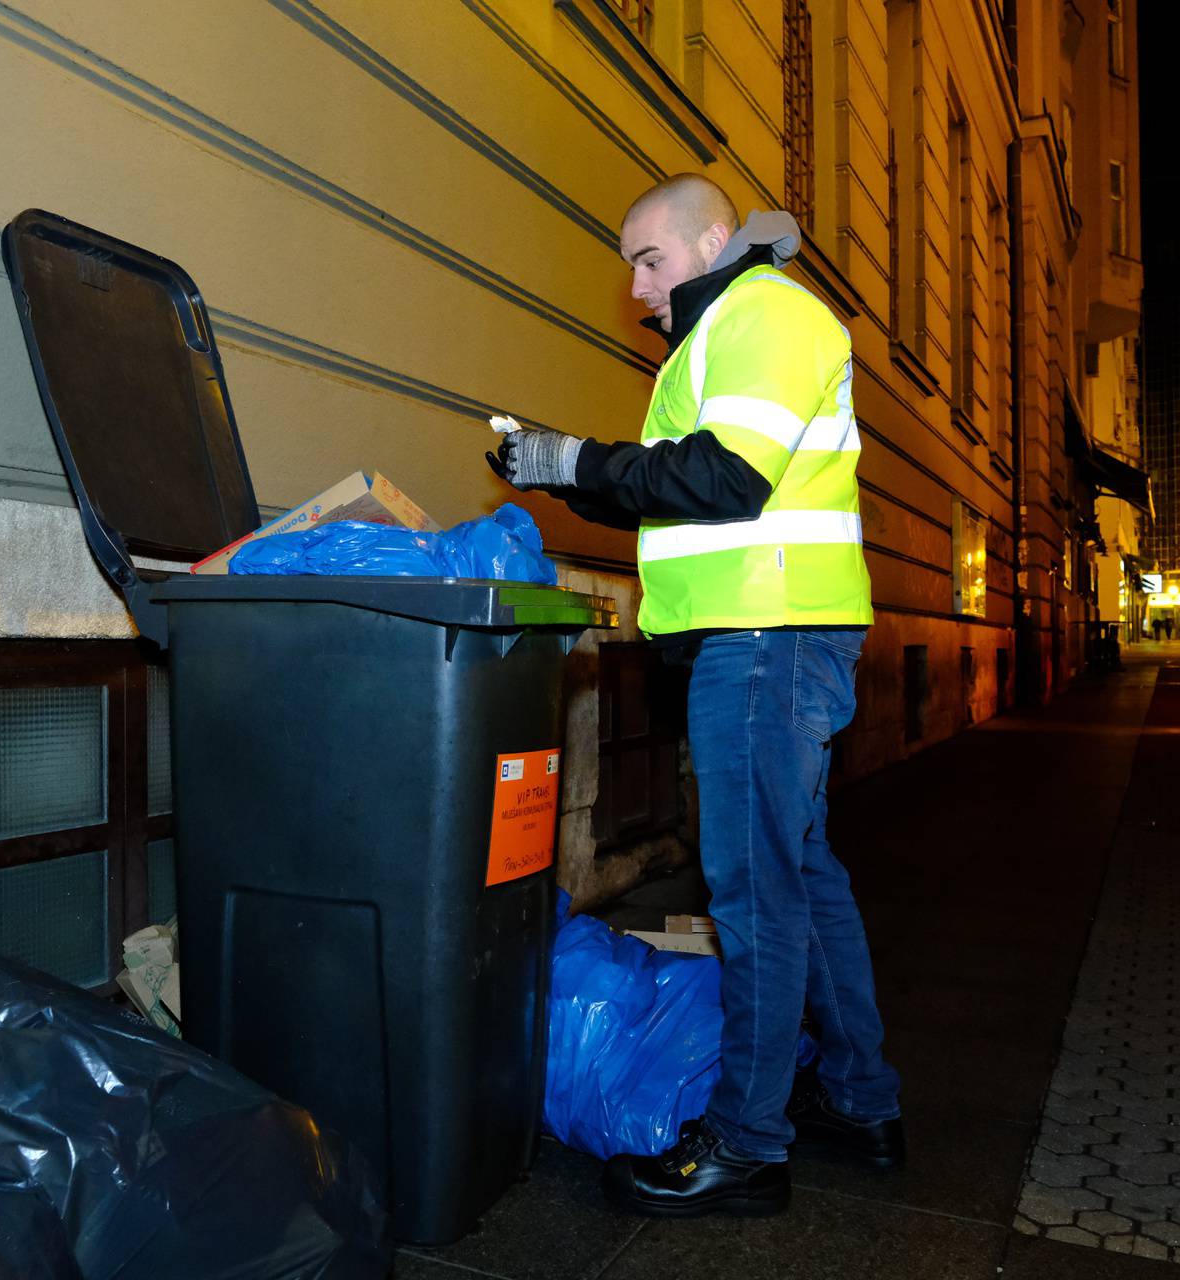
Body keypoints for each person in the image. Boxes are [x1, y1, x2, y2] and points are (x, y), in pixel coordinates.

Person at [484, 174, 901, 1218]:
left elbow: (725, 479)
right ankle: (860, 1098)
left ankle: (748, 1143)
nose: (634, 288)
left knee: (756, 891)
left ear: (714, 241)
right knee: (801, 874)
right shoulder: (721, 334)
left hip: (766, 639)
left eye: (650, 258)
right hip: (773, 632)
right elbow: (678, 480)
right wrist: (562, 471)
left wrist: (580, 459)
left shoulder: (765, 314)